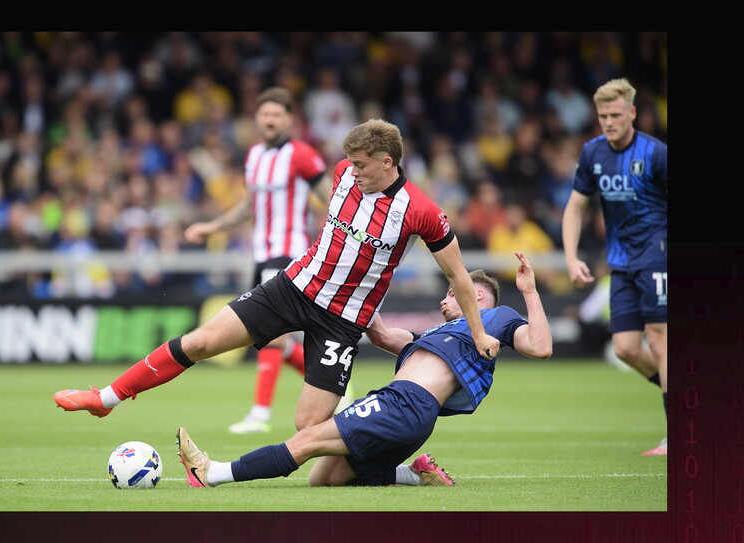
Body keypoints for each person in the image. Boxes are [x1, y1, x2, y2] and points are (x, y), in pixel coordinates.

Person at [54, 118, 501, 436]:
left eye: (363, 165)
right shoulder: (343, 173)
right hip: (293, 287)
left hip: (342, 320)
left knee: (309, 428)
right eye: (351, 164)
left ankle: (398, 459)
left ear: (387, 162)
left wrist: (478, 332)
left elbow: (460, 277)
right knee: (202, 341)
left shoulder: (421, 211)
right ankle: (107, 398)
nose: (353, 170)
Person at [176, 252, 552, 488]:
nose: (443, 299)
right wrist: (357, 282)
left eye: (453, 293)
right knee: (324, 477)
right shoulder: (437, 333)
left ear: (478, 295)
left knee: (307, 441)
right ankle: (415, 472)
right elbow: (384, 334)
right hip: (409, 414)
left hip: (407, 404)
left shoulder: (496, 319)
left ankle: (213, 473)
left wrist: (530, 293)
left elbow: (540, 347)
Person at [183, 87, 333, 434]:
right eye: (265, 114)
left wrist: (332, 240)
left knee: (269, 333)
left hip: (288, 252)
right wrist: (213, 226)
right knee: (269, 337)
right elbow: (250, 205)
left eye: (277, 114)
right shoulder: (254, 156)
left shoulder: (301, 154)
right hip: (260, 254)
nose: (270, 119)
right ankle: (339, 392)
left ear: (289, 119)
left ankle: (260, 414)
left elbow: (330, 196)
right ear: (256, 118)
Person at [561, 77, 667, 456]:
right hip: (620, 263)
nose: (609, 121)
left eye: (616, 114)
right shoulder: (592, 154)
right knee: (625, 348)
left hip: (657, 255)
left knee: (658, 337)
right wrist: (572, 257)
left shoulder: (657, 153)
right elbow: (576, 207)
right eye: (603, 115)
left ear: (633, 113)